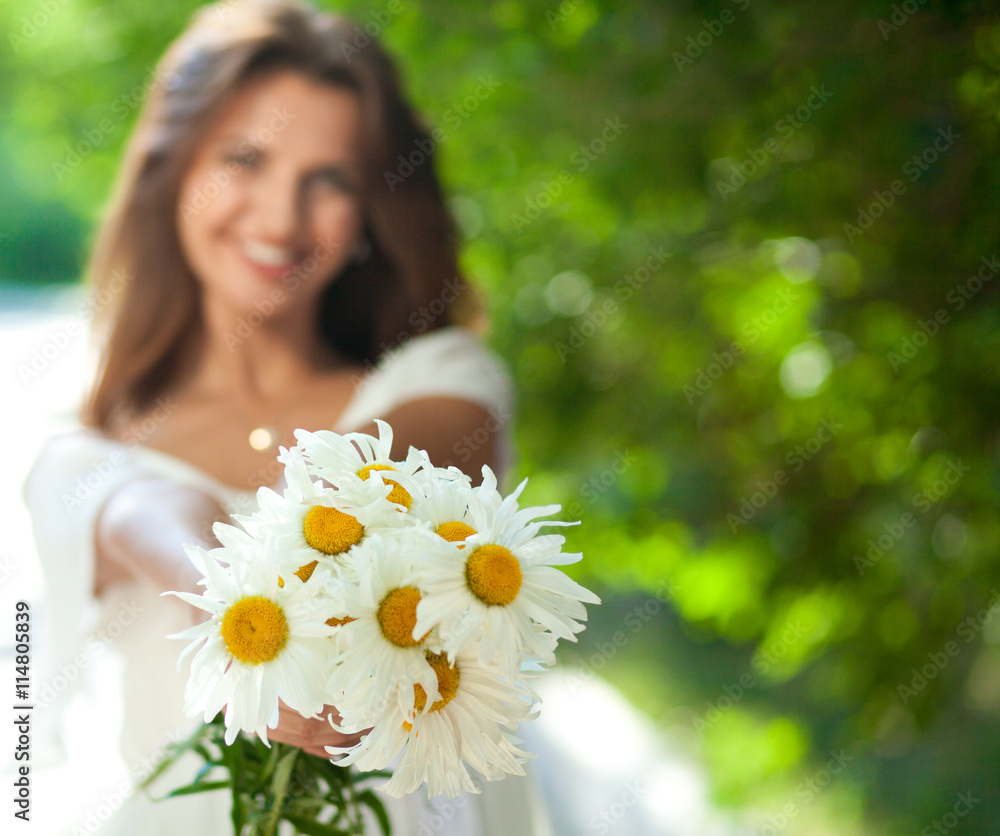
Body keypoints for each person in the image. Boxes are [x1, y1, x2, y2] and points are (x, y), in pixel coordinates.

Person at [22, 1, 549, 833]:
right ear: (173, 173)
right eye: (245, 159)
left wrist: (256, 616)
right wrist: (238, 620)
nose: (279, 218)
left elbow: (372, 495)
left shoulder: (441, 383)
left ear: (374, 208)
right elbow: (147, 511)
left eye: (330, 179)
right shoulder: (83, 450)